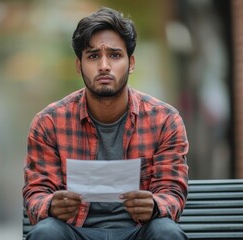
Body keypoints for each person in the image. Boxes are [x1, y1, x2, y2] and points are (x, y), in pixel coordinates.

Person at [22, 7, 189, 240]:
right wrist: (51, 205)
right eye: (93, 56)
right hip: (75, 232)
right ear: (79, 66)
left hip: (138, 231)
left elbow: (172, 191)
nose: (104, 66)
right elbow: (36, 193)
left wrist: (154, 205)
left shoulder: (164, 120)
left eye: (114, 55)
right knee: (47, 232)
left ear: (131, 63)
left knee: (165, 232)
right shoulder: (49, 122)